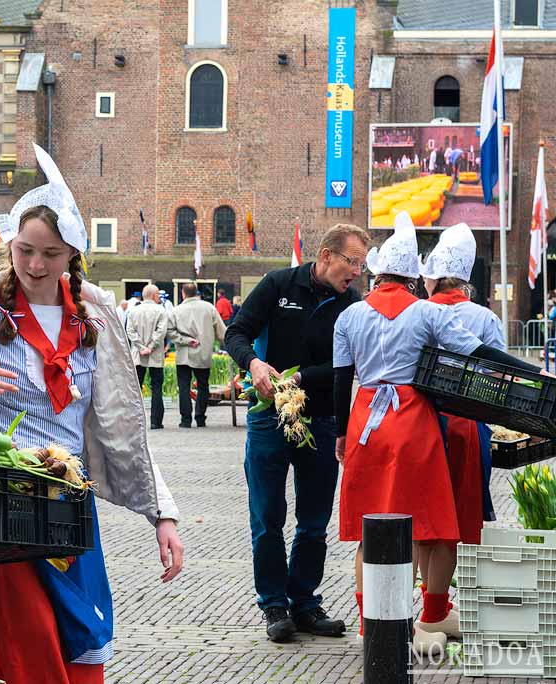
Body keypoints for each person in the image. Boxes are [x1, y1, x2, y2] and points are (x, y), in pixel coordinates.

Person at [0, 143, 183, 683]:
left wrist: (162, 514)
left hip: (69, 504)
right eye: (24, 251)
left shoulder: (96, 317)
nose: (35, 265)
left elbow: (118, 426)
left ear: (73, 253)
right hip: (1, 505)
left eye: (50, 253)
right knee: (34, 647)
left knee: (80, 640)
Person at [333, 213, 539, 655]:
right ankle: (429, 613)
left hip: (365, 421)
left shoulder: (350, 315)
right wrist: (535, 372)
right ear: (412, 276)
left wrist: (339, 436)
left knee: (372, 527)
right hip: (414, 421)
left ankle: (372, 622)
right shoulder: (426, 312)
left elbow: (339, 379)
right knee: (430, 522)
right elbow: (480, 353)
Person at [224, 223, 370, 643]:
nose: (357, 272)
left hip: (321, 420)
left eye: (361, 264)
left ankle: (304, 602)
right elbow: (237, 332)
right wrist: (252, 364)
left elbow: (350, 367)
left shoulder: (351, 304)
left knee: (314, 519)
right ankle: (273, 604)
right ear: (326, 255)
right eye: (352, 262)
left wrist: (303, 378)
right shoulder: (278, 284)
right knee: (268, 515)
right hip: (271, 416)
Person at [413, 223, 504, 640]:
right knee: (453, 521)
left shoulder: (417, 312)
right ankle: (437, 608)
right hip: (468, 428)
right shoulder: (484, 317)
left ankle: (408, 605)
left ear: (431, 278)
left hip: (420, 423)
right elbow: (502, 378)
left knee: (417, 519)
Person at [168, 282, 226, 428]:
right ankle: (200, 418)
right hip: (203, 352)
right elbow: (221, 331)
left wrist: (185, 340)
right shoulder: (209, 308)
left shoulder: (177, 310)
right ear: (197, 292)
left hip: (184, 353)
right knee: (203, 386)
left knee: (184, 386)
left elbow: (169, 331)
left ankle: (185, 420)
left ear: (183, 293)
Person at [126, 284, 169, 430]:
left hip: (138, 356)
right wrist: (150, 347)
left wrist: (141, 347)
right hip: (155, 356)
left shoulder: (133, 311)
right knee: (156, 388)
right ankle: (156, 422)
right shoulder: (161, 310)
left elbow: (130, 332)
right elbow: (161, 332)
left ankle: (134, 422)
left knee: (136, 390)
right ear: (155, 295)